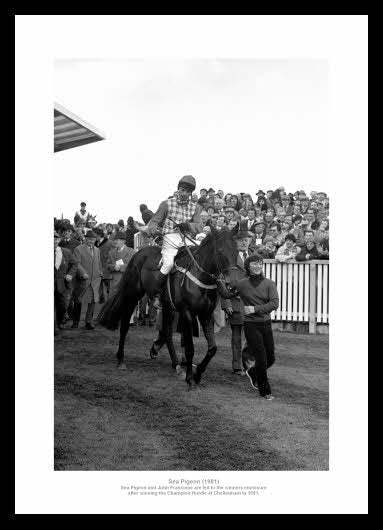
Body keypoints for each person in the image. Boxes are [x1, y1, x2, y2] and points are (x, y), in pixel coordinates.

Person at [146, 175, 203, 308]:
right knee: (168, 263)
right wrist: (155, 231)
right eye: (182, 190)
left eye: (188, 192)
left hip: (187, 237)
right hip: (170, 236)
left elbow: (199, 226)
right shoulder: (166, 203)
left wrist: (187, 226)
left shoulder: (196, 207)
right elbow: (154, 222)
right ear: (178, 189)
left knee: (202, 254)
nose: (184, 193)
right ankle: (157, 295)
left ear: (191, 193)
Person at [236, 254, 279, 400]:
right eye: (254, 263)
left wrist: (255, 309)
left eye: (260, 263)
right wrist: (219, 281)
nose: (258, 266)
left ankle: (253, 373)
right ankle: (265, 391)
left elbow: (274, 304)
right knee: (261, 357)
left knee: (270, 358)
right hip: (250, 325)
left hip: (265, 324)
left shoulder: (269, 283)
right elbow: (227, 294)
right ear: (248, 266)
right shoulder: (241, 284)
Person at [220, 230, 254, 375]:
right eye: (240, 240)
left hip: (252, 303)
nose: (244, 242)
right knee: (236, 337)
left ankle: (249, 366)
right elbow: (221, 281)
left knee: (252, 336)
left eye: (246, 239)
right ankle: (237, 366)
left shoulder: (254, 257)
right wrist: (225, 303)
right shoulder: (229, 258)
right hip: (235, 301)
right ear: (235, 242)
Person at [71, 230, 103, 330]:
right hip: (83, 279)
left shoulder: (97, 250)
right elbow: (77, 263)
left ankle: (89, 322)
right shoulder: (78, 249)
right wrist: (83, 273)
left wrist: (100, 272)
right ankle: (75, 322)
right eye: (89, 239)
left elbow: (99, 262)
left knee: (93, 301)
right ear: (85, 239)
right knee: (78, 300)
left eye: (93, 239)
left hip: (95, 279)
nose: (91, 241)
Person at [54, 231, 77, 332]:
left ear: (59, 240)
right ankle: (54, 327)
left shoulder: (66, 251)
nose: (53, 241)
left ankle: (59, 322)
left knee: (62, 306)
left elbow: (75, 264)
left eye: (55, 239)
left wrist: (70, 274)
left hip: (62, 284)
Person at [94, 227, 114, 303]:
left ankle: (110, 301)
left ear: (98, 235)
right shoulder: (95, 243)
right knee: (99, 284)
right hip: (98, 268)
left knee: (108, 285)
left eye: (94, 235)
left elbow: (113, 255)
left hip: (106, 268)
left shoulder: (109, 243)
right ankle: (101, 298)